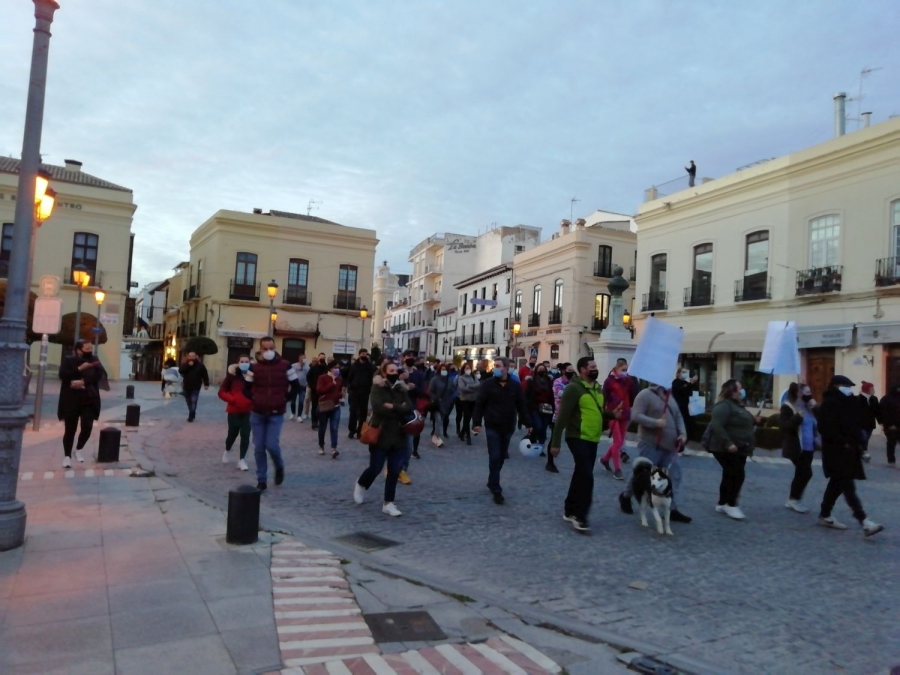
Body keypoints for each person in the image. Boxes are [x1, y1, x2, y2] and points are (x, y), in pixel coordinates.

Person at [815, 376, 883, 536]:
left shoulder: (848, 403)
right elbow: (825, 428)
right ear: (836, 386)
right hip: (837, 451)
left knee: (836, 484)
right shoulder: (830, 403)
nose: (849, 389)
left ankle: (825, 515)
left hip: (849, 451)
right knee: (847, 486)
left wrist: (859, 447)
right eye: (846, 386)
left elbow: (854, 425)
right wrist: (842, 442)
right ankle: (864, 522)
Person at [618, 382, 692, 523]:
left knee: (674, 475)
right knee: (641, 475)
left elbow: (678, 416)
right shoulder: (645, 395)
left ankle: (671, 508)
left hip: (670, 445)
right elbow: (636, 415)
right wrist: (655, 422)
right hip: (651, 443)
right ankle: (626, 495)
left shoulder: (669, 395)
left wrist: (682, 434)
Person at [550, 357, 604, 532]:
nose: (596, 369)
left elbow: (598, 411)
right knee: (587, 475)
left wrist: (612, 415)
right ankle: (580, 516)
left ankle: (569, 508)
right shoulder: (573, 389)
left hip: (592, 438)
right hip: (576, 436)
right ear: (582, 370)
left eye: (596, 367)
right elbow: (562, 417)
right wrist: (555, 443)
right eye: (592, 367)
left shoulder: (597, 388)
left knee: (581, 472)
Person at [353, 361, 413, 516]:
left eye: (396, 370)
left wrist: (393, 407)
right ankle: (361, 484)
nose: (394, 372)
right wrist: (399, 408)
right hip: (381, 433)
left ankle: (388, 503)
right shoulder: (377, 387)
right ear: (384, 372)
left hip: (399, 434)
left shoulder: (401, 388)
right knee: (376, 468)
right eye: (391, 370)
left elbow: (409, 407)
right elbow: (378, 407)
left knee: (394, 471)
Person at [472, 357, 530, 504]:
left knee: (501, 456)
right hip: (492, 425)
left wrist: (528, 423)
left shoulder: (515, 386)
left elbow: (521, 405)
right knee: (494, 455)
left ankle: (492, 480)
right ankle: (496, 489)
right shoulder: (487, 385)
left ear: (505, 368)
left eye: (498, 366)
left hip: (508, 426)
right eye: (494, 365)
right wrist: (477, 422)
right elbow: (479, 404)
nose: (495, 368)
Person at [244, 337, 297, 491]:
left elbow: (295, 386)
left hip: (276, 413)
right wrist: (254, 399)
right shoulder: (254, 368)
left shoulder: (285, 366)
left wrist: (285, 399)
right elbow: (246, 388)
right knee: (259, 447)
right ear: (260, 349)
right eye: (265, 348)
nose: (268, 351)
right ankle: (262, 480)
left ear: (275, 348)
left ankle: (279, 466)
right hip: (257, 413)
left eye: (271, 348)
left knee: (272, 445)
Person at [708, 379, 760, 520]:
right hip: (726, 448)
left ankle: (722, 502)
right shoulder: (723, 406)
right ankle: (731, 504)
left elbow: (743, 419)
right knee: (736, 474)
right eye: (739, 388)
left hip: (740, 447)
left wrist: (753, 419)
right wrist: (728, 443)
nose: (742, 390)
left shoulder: (737, 405)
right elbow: (717, 426)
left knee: (729, 473)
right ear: (732, 391)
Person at [57, 340, 107, 468]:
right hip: (71, 399)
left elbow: (99, 375)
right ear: (79, 350)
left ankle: (79, 448)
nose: (89, 350)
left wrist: (83, 382)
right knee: (70, 429)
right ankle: (67, 456)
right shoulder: (69, 361)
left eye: (91, 348)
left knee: (87, 427)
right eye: (87, 348)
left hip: (89, 399)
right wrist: (80, 369)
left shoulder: (94, 361)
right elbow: (63, 375)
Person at [780, 383, 820, 513]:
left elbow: (821, 420)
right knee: (805, 472)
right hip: (796, 447)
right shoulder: (788, 406)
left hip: (809, 446)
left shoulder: (809, 406)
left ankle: (793, 499)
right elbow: (784, 426)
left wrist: (816, 407)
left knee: (801, 472)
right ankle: (794, 500)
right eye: (805, 393)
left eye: (810, 392)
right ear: (798, 393)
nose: (808, 395)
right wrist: (797, 417)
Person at [218, 354, 253, 471]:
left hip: (248, 410)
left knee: (245, 435)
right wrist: (231, 399)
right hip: (234, 410)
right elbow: (221, 391)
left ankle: (242, 460)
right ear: (238, 363)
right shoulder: (231, 377)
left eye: (246, 361)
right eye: (242, 361)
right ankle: (227, 449)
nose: (244, 363)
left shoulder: (253, 376)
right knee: (232, 433)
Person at [600, 361, 632, 480]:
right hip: (613, 413)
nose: (625, 372)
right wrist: (605, 413)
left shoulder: (627, 381)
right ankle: (618, 469)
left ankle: (604, 459)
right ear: (616, 369)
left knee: (619, 442)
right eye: (623, 370)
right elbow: (604, 397)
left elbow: (633, 393)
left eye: (626, 370)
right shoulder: (609, 381)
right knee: (618, 442)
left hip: (625, 412)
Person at [316, 360, 345, 458]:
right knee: (322, 427)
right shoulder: (322, 377)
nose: (337, 369)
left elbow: (340, 391)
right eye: (335, 367)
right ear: (330, 368)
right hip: (325, 405)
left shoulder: (339, 379)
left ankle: (334, 448)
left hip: (336, 406)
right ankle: (321, 446)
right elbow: (319, 390)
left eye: (338, 368)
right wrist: (331, 384)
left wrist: (340, 395)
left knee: (334, 427)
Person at [525, 364, 555, 459]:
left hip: (546, 408)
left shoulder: (549, 381)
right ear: (536, 370)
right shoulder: (532, 381)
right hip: (535, 408)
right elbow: (527, 395)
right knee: (538, 426)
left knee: (543, 429)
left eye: (543, 369)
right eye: (539, 369)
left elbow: (552, 395)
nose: (541, 370)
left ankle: (540, 448)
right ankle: (533, 440)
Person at [347, 348, 376, 439]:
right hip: (354, 392)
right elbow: (349, 377)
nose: (364, 355)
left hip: (365, 392)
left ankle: (360, 431)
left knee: (363, 414)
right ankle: (352, 430)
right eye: (362, 354)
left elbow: (374, 377)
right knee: (353, 412)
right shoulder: (354, 366)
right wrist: (350, 387)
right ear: (359, 354)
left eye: (366, 354)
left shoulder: (370, 366)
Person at [179, 351, 209, 422]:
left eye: (193, 356)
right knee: (188, 401)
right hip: (186, 386)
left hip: (196, 386)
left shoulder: (200, 365)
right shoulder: (185, 364)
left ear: (196, 357)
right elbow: (180, 371)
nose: (191, 357)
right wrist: (188, 365)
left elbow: (205, 374)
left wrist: (206, 384)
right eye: (190, 356)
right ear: (188, 357)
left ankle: (191, 416)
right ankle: (192, 412)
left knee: (194, 401)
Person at [671, 367, 699, 443]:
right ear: (679, 373)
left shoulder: (686, 383)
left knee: (690, 426)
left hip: (689, 408)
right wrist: (690, 383)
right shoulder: (675, 383)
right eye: (683, 372)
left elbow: (692, 390)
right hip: (680, 408)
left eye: (686, 372)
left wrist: (693, 383)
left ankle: (687, 440)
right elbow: (682, 390)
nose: (685, 374)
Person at [456, 362, 479, 445]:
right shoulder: (461, 377)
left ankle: (462, 433)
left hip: (473, 399)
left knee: (469, 418)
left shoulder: (473, 376)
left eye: (469, 368)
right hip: (464, 400)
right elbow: (462, 388)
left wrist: (468, 386)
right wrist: (473, 388)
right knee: (466, 416)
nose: (468, 369)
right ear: (463, 369)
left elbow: (478, 384)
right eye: (466, 368)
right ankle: (468, 436)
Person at [857, 381, 881, 463]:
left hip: (870, 424)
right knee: (862, 438)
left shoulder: (874, 399)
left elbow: (877, 411)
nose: (873, 390)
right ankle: (863, 453)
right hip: (860, 424)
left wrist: (880, 421)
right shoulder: (858, 399)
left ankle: (862, 453)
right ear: (867, 389)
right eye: (872, 388)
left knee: (866, 438)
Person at [307, 353, 329, 429]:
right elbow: (308, 377)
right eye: (321, 357)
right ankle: (314, 422)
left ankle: (322, 421)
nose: (322, 358)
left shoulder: (327, 368)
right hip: (315, 390)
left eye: (324, 357)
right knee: (314, 406)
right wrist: (312, 386)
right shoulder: (314, 368)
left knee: (323, 407)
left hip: (325, 391)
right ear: (318, 358)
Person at [881, 382, 900, 466]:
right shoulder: (886, 399)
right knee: (891, 443)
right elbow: (883, 413)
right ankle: (891, 460)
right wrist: (889, 424)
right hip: (891, 426)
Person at [288, 354, 310, 422]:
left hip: (302, 386)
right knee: (293, 401)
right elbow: (290, 374)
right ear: (299, 358)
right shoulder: (294, 366)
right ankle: (293, 413)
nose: (304, 359)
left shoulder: (307, 367)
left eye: (305, 358)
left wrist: (307, 383)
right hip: (294, 386)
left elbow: (309, 376)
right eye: (303, 358)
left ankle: (299, 416)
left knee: (301, 401)